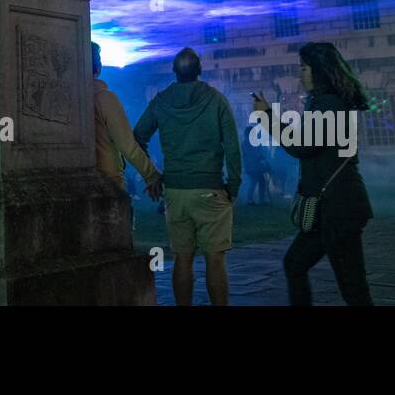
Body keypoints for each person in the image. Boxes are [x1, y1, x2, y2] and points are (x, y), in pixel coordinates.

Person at [257, 42, 374, 306]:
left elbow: (302, 146)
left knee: (353, 287)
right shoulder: (325, 102)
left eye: (304, 67)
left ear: (319, 70)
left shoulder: (328, 104)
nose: (300, 74)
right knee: (295, 264)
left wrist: (267, 117)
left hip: (339, 207)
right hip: (327, 208)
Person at [134, 47, 241, 306]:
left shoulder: (161, 101)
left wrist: (152, 175)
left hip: (175, 191)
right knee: (215, 258)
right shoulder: (216, 99)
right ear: (200, 71)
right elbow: (232, 145)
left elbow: (137, 136)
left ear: (174, 72)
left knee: (182, 258)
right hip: (210, 187)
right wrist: (234, 185)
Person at [91, 42, 161, 201]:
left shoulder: (69, 100)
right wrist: (151, 175)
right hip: (108, 181)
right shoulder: (105, 99)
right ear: (98, 66)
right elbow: (127, 145)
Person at [242, 137, 272, 206]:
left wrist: (265, 164)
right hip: (251, 167)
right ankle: (250, 200)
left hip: (256, 167)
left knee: (261, 181)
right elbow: (250, 156)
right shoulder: (246, 144)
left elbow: (260, 154)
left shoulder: (254, 143)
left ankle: (260, 200)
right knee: (253, 182)